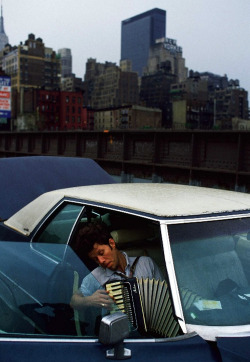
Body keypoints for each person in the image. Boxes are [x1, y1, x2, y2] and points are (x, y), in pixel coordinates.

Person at [70, 221, 163, 311]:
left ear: (112, 243)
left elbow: (165, 296)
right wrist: (88, 300)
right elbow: (73, 302)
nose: (101, 261)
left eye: (101, 253)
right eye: (95, 259)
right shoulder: (96, 276)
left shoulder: (146, 263)